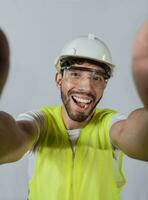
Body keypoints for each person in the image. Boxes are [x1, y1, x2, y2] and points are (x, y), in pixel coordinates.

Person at [0, 21, 148, 200]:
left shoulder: (110, 124)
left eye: (97, 77)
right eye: (75, 74)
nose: (86, 87)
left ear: (105, 85)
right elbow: (13, 137)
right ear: (59, 79)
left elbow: (134, 135)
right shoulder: (40, 122)